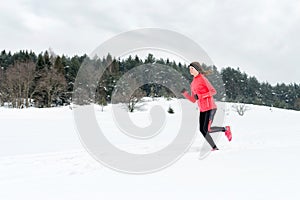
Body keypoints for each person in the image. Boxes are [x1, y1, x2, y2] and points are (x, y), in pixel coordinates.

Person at [181, 62, 232, 151]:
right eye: (189, 69)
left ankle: (223, 133)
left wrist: (201, 96)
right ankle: (216, 144)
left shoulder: (202, 79)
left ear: (197, 69)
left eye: (192, 68)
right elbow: (194, 100)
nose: (190, 70)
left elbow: (213, 91)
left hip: (210, 107)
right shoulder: (193, 83)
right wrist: (185, 94)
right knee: (203, 130)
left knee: (207, 129)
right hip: (202, 109)